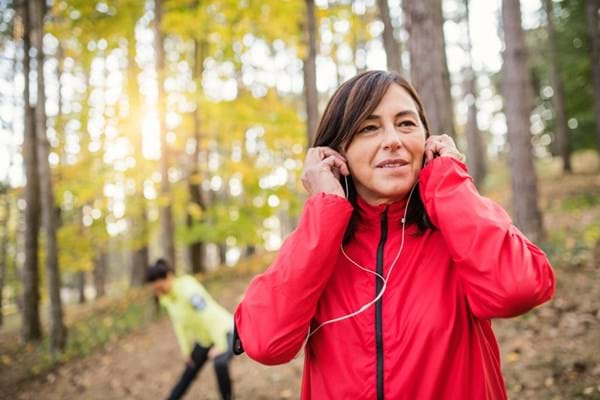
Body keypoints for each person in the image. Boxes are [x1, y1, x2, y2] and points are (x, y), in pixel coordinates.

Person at [232, 71, 555, 399]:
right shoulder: (318, 246)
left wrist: (447, 179)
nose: (393, 140)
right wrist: (325, 209)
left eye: (406, 124)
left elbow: (519, 289)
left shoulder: (458, 226)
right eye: (369, 128)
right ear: (336, 152)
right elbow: (265, 343)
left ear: (427, 141)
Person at [146, 259, 234, 400]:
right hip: (205, 339)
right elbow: (179, 325)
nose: (158, 292)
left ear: (169, 276)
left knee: (220, 362)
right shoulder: (168, 299)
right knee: (189, 370)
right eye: (156, 290)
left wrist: (221, 344)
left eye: (160, 288)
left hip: (224, 330)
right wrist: (186, 350)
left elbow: (208, 314)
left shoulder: (188, 288)